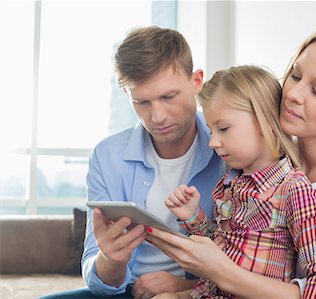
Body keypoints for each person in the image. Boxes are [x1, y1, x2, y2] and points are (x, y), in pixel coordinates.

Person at [147, 25, 316, 299]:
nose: (293, 94)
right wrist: (186, 286)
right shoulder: (263, 167)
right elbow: (248, 257)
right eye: (295, 75)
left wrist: (218, 272)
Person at [40, 26, 223, 298]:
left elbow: (255, 258)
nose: (157, 116)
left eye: (168, 97)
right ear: (127, 95)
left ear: (196, 82)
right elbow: (98, 278)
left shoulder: (228, 150)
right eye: (142, 102)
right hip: (128, 291)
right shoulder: (107, 156)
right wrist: (111, 260)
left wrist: (186, 288)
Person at [158, 65, 316, 298]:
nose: (212, 142)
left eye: (223, 128)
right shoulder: (229, 185)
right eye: (211, 130)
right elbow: (220, 252)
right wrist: (192, 216)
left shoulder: (293, 190)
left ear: (265, 121)